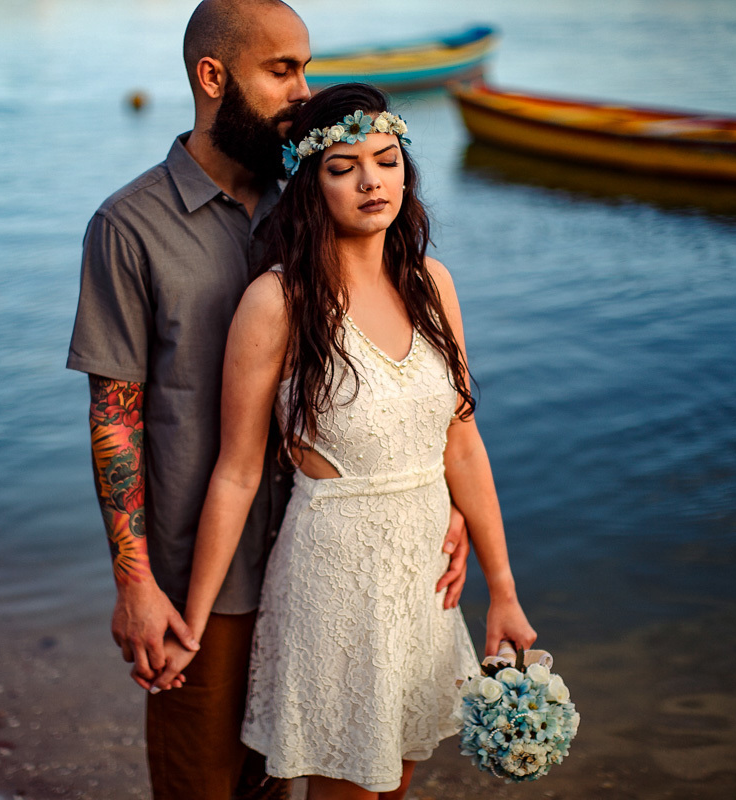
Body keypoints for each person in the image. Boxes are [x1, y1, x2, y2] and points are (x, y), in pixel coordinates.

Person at [68, 3, 471, 797]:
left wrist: (438, 499)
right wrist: (134, 583)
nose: (303, 91)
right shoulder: (130, 227)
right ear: (213, 77)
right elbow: (114, 418)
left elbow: (399, 371)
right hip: (204, 581)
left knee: (302, 780)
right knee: (204, 785)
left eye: (306, 68)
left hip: (324, 564)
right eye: (282, 70)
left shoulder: (312, 199)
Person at [150, 83, 538, 799]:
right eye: (344, 167)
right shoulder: (278, 301)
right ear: (311, 184)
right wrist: (192, 623)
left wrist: (504, 592)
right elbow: (237, 471)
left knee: (397, 784)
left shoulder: (432, 284)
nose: (371, 182)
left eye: (387, 161)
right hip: (336, 585)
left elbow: (461, 443)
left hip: (425, 582)